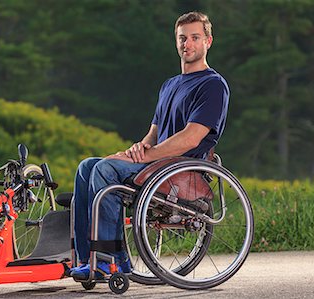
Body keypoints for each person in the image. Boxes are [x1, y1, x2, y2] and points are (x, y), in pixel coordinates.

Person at [70, 11, 230, 280]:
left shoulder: (213, 85)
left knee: (105, 171)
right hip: (155, 164)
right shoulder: (170, 85)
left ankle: (112, 261)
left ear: (208, 42)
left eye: (194, 37)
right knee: (89, 166)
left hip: (180, 172)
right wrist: (134, 151)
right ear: (175, 41)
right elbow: (153, 134)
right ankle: (87, 257)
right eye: (182, 38)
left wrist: (146, 157)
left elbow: (191, 138)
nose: (187, 44)